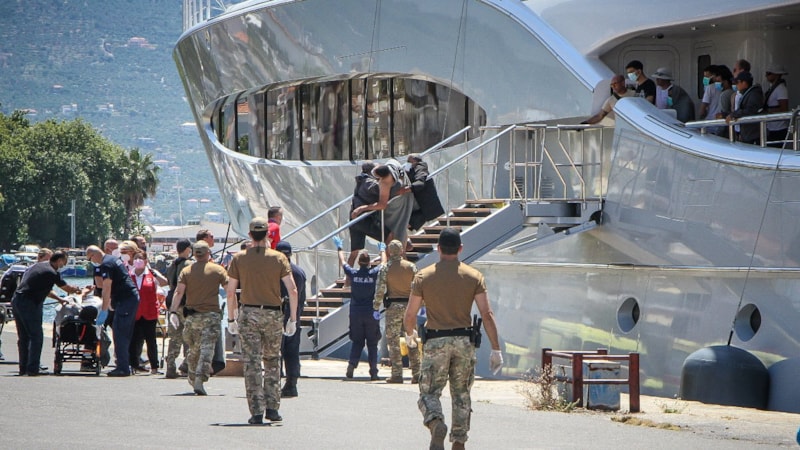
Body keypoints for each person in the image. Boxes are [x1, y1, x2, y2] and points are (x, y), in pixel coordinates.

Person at [403, 228, 503, 450]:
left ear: (438, 249)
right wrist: (496, 349)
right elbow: (487, 314)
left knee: (429, 392)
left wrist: (410, 334)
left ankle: (436, 421)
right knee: (461, 394)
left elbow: (410, 314)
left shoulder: (423, 276)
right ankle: (459, 442)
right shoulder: (474, 276)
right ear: (460, 249)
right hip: (464, 342)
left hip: (436, 341)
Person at [226, 217, 298, 424]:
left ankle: (256, 411)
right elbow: (292, 290)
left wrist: (231, 318)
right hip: (273, 314)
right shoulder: (278, 258)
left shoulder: (239, 258)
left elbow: (231, 292)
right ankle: (273, 408)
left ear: (250, 235)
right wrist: (292, 319)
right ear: (268, 234)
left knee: (252, 363)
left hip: (248, 314)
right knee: (272, 360)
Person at [169, 241, 228, 395]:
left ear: (194, 254)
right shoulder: (218, 270)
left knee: (194, 349)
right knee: (207, 349)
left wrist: (173, 312)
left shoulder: (187, 271)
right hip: (211, 316)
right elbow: (229, 290)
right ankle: (199, 379)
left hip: (192, 316)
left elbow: (178, 292)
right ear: (208, 253)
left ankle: (192, 374)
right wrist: (234, 313)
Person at [11, 250, 81, 376]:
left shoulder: (39, 266)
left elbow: (46, 290)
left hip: (17, 300)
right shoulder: (52, 272)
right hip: (30, 303)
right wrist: (78, 290)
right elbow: (67, 288)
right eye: (64, 262)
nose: (64, 265)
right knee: (36, 336)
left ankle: (24, 368)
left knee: (24, 337)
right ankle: (33, 368)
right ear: (59, 260)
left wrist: (60, 299)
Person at [334, 236, 386, 381]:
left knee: (357, 341)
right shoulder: (373, 274)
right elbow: (383, 263)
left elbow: (343, 262)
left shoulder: (354, 274)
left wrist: (339, 248)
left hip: (355, 312)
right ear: (369, 262)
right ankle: (373, 371)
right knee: (372, 342)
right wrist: (382, 250)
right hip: (370, 312)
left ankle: (352, 364)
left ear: (359, 263)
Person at [86, 243, 140, 377]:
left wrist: (104, 309)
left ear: (93, 255)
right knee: (124, 333)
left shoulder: (106, 264)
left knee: (120, 333)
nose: (91, 262)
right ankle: (126, 363)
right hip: (128, 298)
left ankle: (123, 367)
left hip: (126, 300)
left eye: (89, 258)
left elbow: (106, 287)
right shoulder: (112, 259)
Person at [373, 239, 420, 384]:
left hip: (393, 307)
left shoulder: (385, 268)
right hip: (409, 307)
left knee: (393, 341)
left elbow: (380, 289)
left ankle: (397, 373)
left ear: (388, 252)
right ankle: (417, 373)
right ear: (401, 251)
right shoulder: (411, 267)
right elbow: (418, 287)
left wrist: (376, 306)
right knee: (411, 338)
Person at [351, 161, 414, 248]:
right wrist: (408, 188)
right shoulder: (394, 167)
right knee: (400, 229)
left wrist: (362, 208)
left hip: (396, 206)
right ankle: (403, 246)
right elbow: (404, 173)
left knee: (392, 234)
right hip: (406, 199)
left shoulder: (384, 183)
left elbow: (382, 205)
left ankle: (396, 252)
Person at [276, 240, 307, 398]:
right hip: (294, 314)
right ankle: (292, 383)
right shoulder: (299, 271)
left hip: (277, 314)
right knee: (292, 350)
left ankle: (273, 383)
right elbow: (302, 297)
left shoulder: (275, 271)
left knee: (275, 350)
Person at [129, 250, 168, 375]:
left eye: (141, 258)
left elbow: (164, 282)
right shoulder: (130, 274)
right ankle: (133, 365)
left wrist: (153, 273)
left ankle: (154, 367)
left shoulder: (151, 274)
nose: (138, 261)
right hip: (135, 312)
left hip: (149, 312)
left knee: (151, 340)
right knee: (134, 340)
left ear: (146, 261)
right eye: (136, 258)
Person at [349, 161, 389, 267]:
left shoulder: (361, 180)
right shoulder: (369, 182)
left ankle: (347, 280)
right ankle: (387, 265)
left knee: (354, 252)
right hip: (364, 220)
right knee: (389, 237)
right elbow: (383, 190)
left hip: (355, 219)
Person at [165, 239, 193, 378]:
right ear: (188, 249)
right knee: (188, 337)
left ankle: (170, 365)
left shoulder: (171, 265)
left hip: (172, 304)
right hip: (185, 303)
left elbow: (170, 282)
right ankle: (187, 365)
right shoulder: (189, 265)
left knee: (174, 337)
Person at [406, 154, 445, 232]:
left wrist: (408, 188)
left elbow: (420, 182)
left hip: (425, 206)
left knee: (408, 224)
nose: (407, 164)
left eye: (408, 161)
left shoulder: (421, 167)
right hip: (422, 206)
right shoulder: (412, 169)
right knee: (407, 224)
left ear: (414, 160)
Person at [726, 71, 765, 145]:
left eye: (737, 82)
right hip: (748, 134)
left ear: (744, 83)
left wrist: (733, 115)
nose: (736, 85)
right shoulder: (748, 93)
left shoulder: (754, 94)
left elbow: (750, 110)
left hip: (753, 134)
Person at [763, 64, 790, 147]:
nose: (766, 76)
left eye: (769, 73)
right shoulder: (773, 87)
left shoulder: (781, 89)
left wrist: (768, 111)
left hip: (779, 128)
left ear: (777, 74)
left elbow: (784, 108)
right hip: (772, 126)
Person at [712, 65, 735, 138]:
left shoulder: (724, 95)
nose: (716, 84)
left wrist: (718, 134)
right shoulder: (734, 92)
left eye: (718, 81)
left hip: (725, 133)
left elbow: (723, 116)